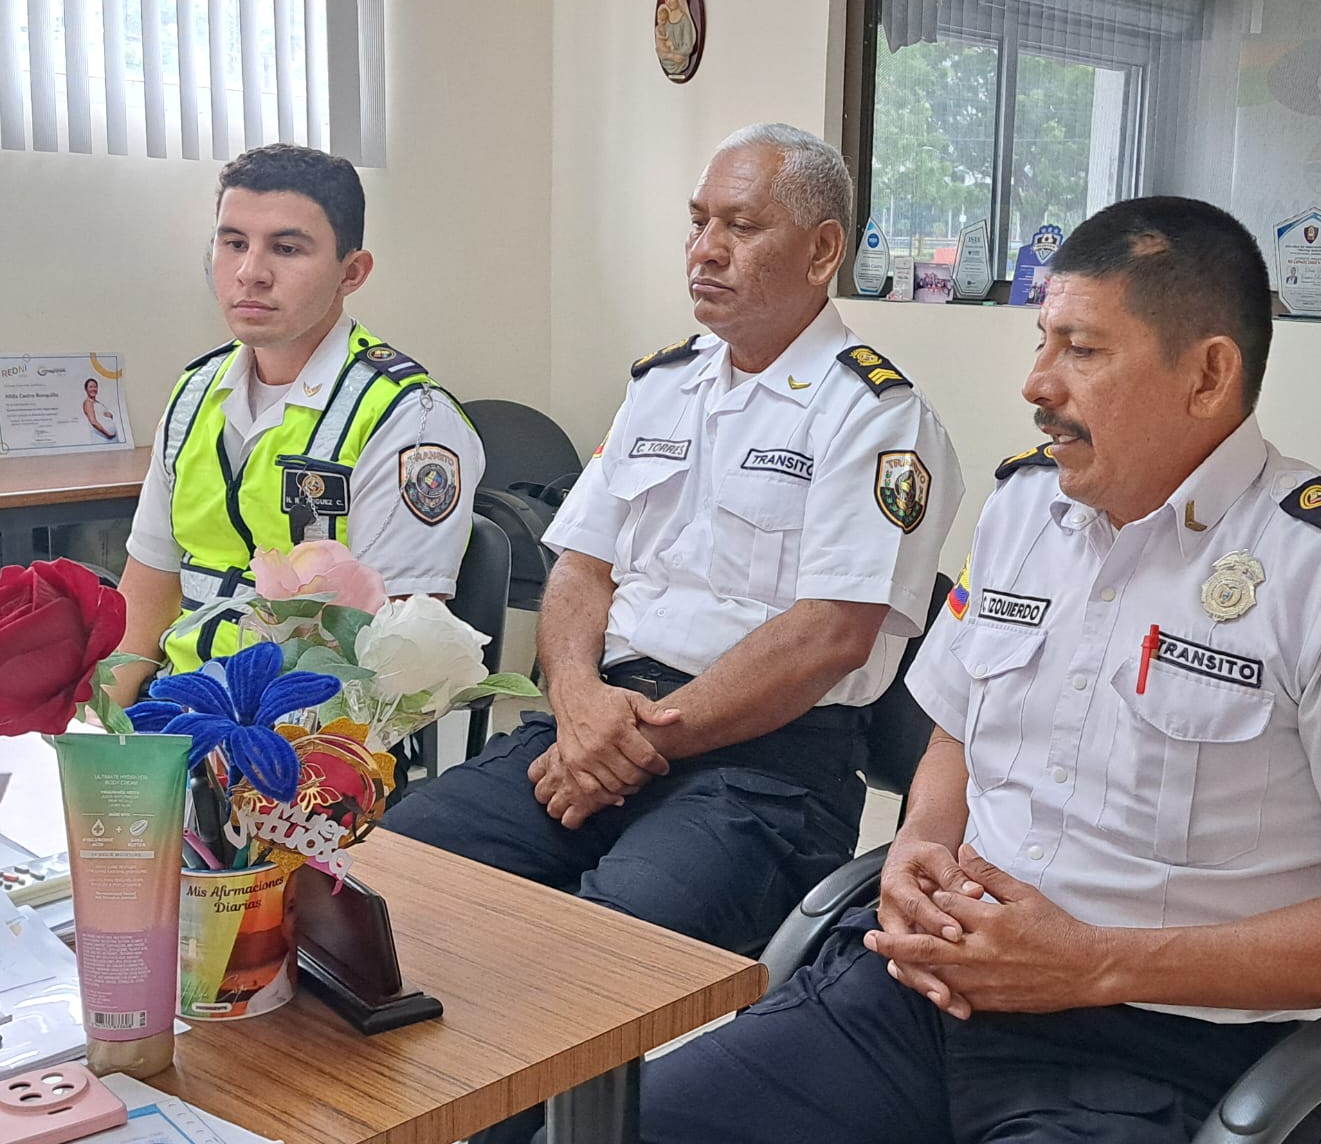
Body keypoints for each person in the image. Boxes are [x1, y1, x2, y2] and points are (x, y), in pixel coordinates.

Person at [635, 196, 1321, 1144]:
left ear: (1209, 374)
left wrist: (1094, 963)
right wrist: (919, 844)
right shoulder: (1024, 510)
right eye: (1042, 341)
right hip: (922, 993)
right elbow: (957, 736)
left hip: (1150, 1046)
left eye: (1081, 351)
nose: (1037, 383)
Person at [385, 122, 961, 961]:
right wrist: (576, 701)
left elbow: (829, 635)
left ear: (822, 250)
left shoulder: (877, 417)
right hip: (598, 720)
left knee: (594, 952)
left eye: (741, 226)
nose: (705, 250)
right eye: (697, 223)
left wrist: (633, 742)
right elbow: (581, 567)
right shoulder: (663, 385)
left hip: (764, 768)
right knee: (393, 868)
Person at [111, 144, 484, 702]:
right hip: (175, 714)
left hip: (313, 731)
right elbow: (146, 595)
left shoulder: (409, 419)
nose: (250, 273)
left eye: (286, 249)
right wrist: (100, 730)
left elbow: (389, 661)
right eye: (233, 243)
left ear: (351, 273)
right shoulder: (194, 393)